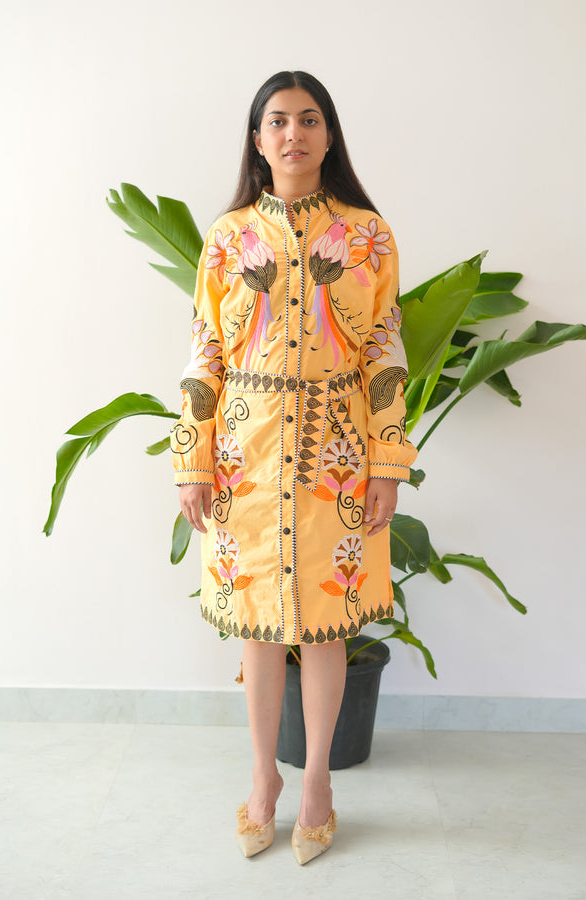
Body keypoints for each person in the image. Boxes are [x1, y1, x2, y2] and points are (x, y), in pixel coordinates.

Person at [170, 70, 417, 865]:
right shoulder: (227, 238)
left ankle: (315, 785)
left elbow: (383, 349)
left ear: (330, 135)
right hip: (245, 453)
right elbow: (206, 351)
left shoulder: (368, 236)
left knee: (323, 626)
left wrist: (386, 460)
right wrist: (190, 455)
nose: (294, 134)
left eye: (310, 120)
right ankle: (261, 782)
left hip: (336, 453)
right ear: (257, 139)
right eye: (277, 121)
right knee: (254, 624)